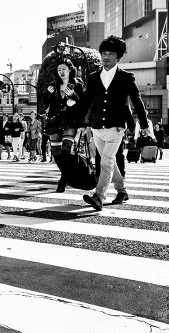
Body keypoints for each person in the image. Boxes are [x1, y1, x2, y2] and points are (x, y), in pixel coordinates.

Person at [77, 36, 149, 211]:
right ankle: (122, 191)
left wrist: (144, 125)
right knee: (110, 162)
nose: (106, 57)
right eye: (103, 53)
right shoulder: (94, 77)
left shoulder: (126, 77)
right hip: (96, 127)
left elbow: (137, 101)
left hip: (116, 127)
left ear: (119, 56)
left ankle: (99, 196)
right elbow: (86, 101)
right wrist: (79, 122)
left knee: (106, 161)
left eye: (110, 54)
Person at [43, 59, 84, 192]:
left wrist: (73, 95)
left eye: (64, 69)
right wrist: (48, 94)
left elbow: (83, 103)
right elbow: (46, 102)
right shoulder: (53, 85)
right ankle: (65, 175)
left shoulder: (77, 84)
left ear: (70, 70)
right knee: (56, 153)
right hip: (55, 121)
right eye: (59, 69)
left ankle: (64, 179)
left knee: (66, 149)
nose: (61, 71)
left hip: (70, 121)